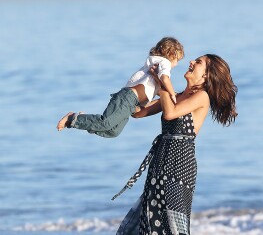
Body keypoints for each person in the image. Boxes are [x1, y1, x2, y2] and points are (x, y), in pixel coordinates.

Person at [112, 54, 238, 234]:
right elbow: (138, 113)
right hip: (160, 162)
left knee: (173, 223)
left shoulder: (202, 97)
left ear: (206, 76)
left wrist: (162, 79)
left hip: (179, 166)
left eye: (198, 62)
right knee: (150, 215)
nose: (191, 62)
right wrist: (136, 91)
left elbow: (170, 113)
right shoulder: (175, 95)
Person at [56, 37, 184, 138]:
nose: (176, 64)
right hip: (128, 98)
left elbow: (156, 88)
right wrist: (173, 94)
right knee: (105, 123)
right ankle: (74, 118)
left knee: (113, 132)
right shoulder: (164, 62)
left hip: (130, 102)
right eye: (177, 60)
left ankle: (84, 121)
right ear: (171, 54)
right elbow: (165, 79)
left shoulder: (155, 64)